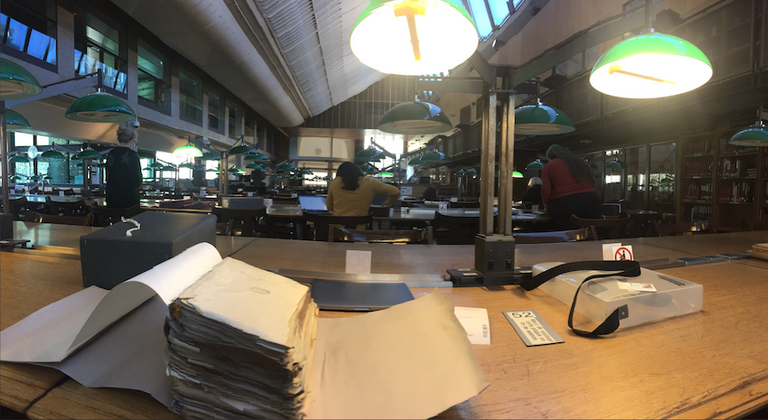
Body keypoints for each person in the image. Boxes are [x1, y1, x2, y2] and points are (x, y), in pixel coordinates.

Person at [541, 144, 601, 229]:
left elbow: (546, 191)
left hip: (565, 203)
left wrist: (547, 206)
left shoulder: (549, 166)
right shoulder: (579, 163)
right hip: (591, 200)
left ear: (551, 156)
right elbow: (592, 181)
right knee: (592, 230)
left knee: (564, 231)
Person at [326, 162, 400, 216]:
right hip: (360, 231)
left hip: (337, 229)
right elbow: (395, 191)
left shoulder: (335, 182)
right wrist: (389, 201)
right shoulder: (370, 183)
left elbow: (329, 207)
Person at [105, 127, 142, 209]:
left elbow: (107, 177)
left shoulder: (111, 154)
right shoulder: (133, 155)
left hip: (111, 197)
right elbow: (137, 180)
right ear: (132, 140)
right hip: (129, 198)